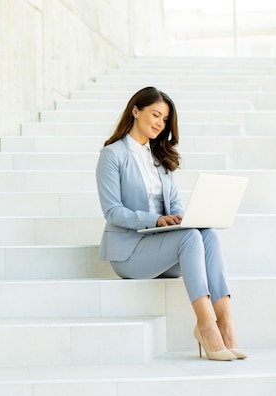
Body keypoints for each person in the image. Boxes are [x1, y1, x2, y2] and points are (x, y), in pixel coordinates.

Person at [95, 86, 246, 361]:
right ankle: (206, 325)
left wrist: (185, 218)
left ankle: (226, 324)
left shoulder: (159, 157)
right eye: (155, 115)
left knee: (207, 233)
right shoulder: (112, 155)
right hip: (129, 253)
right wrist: (156, 219)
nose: (159, 124)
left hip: (161, 248)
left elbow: (174, 204)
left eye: (164, 120)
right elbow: (113, 211)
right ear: (135, 110)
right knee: (189, 238)